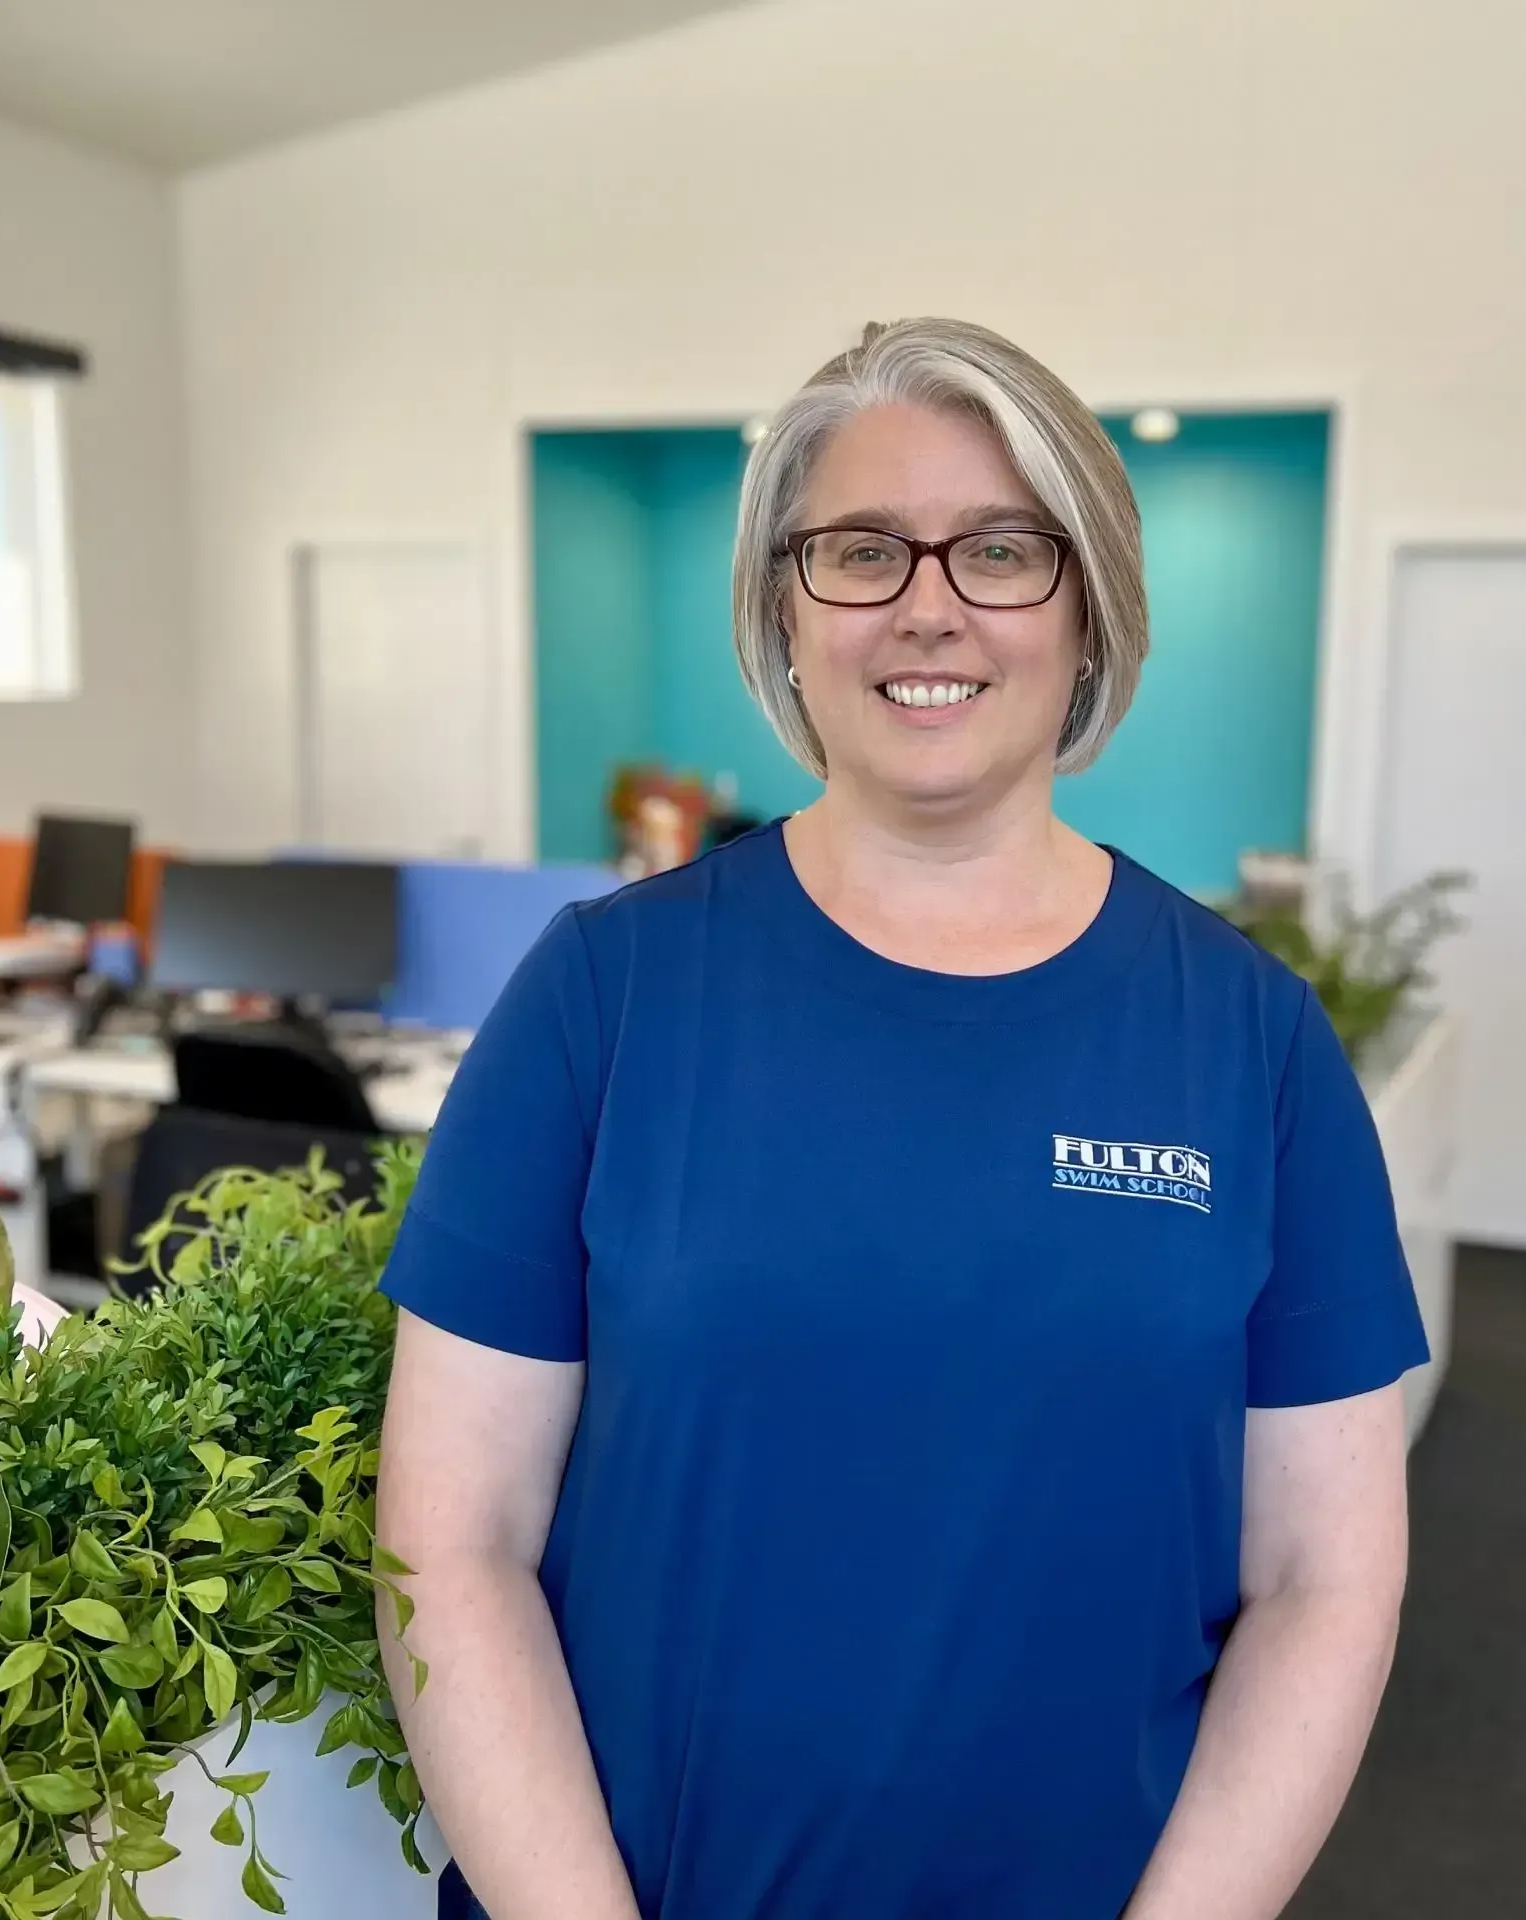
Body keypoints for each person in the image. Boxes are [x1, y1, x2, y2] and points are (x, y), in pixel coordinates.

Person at [376, 317, 1429, 1920]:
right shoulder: (605, 996)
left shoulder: (1252, 1043)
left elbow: (1323, 1579)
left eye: (1001, 549)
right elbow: (454, 1538)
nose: (927, 604)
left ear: (1089, 616)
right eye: (861, 550)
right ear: (784, 612)